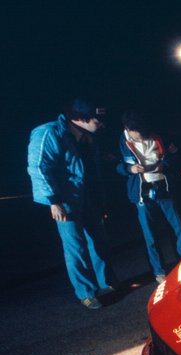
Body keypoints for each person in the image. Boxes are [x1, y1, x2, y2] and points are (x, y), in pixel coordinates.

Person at [27, 98, 118, 309]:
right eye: (98, 120)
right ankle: (86, 292)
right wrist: (53, 200)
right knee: (75, 246)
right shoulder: (49, 133)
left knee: (100, 240)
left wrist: (101, 201)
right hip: (65, 199)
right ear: (81, 118)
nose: (102, 125)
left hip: (89, 197)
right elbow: (39, 167)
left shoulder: (88, 137)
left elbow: (91, 171)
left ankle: (107, 282)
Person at [117, 111, 181, 283]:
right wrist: (129, 170)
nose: (141, 138)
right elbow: (114, 165)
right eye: (137, 135)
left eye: (144, 134)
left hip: (163, 186)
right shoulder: (121, 141)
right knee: (150, 235)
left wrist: (165, 165)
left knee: (178, 228)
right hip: (142, 192)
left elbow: (175, 155)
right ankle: (159, 271)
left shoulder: (158, 134)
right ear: (127, 129)